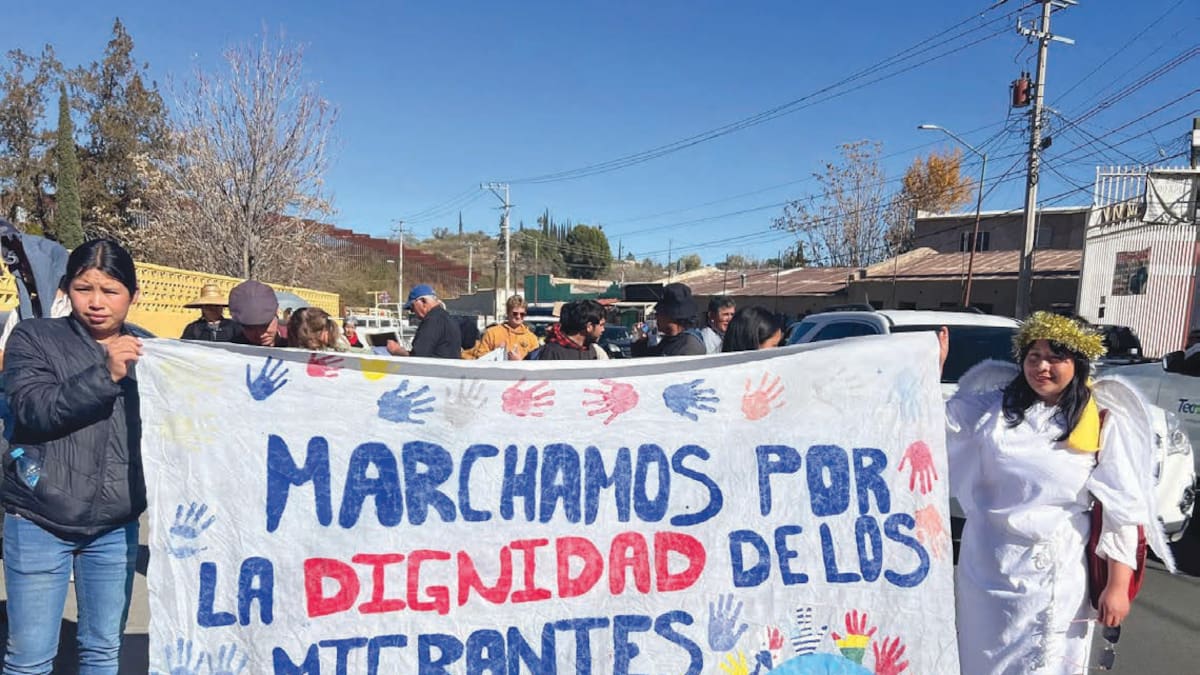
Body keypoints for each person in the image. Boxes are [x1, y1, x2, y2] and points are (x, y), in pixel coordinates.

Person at [941, 312, 1170, 674]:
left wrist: (1117, 585)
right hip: (985, 569)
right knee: (981, 661)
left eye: (1055, 358)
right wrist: (925, 374)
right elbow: (933, 421)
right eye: (1034, 357)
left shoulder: (1101, 420)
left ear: (1077, 363)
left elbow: (1121, 507)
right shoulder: (992, 409)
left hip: (1053, 574)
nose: (1042, 367)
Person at [3, 238, 147, 673]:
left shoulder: (152, 351)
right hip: (39, 519)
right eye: (85, 289)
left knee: (103, 651)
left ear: (133, 296)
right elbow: (33, 408)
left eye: (111, 291)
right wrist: (106, 374)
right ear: (66, 289)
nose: (97, 303)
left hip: (114, 527)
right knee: (29, 659)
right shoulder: (35, 338)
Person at [632, 282, 705, 357]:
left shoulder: (689, 346)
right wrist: (642, 340)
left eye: (658, 313)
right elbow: (647, 359)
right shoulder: (669, 341)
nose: (656, 317)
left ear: (671, 315)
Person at [387, 284, 461, 359]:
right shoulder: (449, 318)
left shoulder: (432, 321)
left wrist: (396, 350)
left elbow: (419, 358)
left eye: (412, 308)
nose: (413, 312)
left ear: (423, 301)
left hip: (435, 370)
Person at [466, 295, 539, 360]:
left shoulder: (532, 338)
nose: (518, 316)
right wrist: (497, 353)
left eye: (522, 314)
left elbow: (536, 365)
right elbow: (481, 357)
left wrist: (519, 362)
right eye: (515, 313)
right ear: (508, 313)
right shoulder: (492, 333)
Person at [538, 300, 605, 360]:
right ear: (589, 326)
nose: (603, 329)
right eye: (601, 325)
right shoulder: (552, 352)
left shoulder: (593, 351)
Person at [228, 280, 286, 347]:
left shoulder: (293, 341)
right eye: (250, 328)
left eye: (264, 326)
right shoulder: (234, 350)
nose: (260, 334)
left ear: (277, 312)